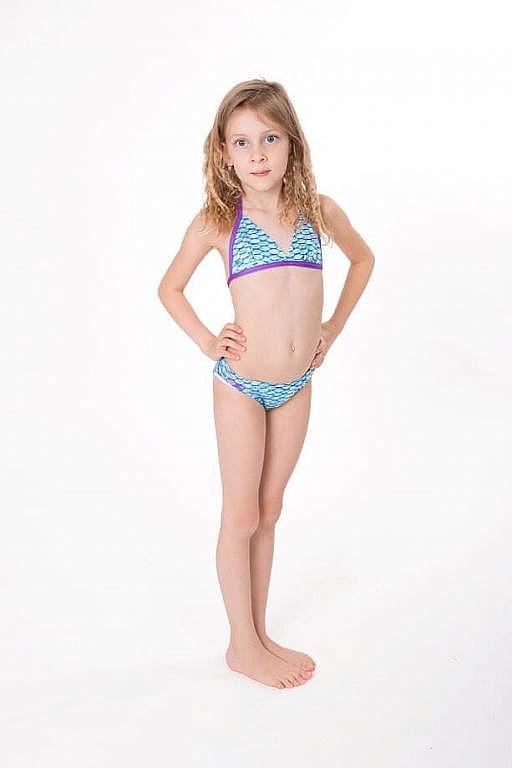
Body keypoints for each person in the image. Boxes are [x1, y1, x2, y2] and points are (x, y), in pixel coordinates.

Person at [157, 78, 375, 689]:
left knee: (271, 510)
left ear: (291, 144)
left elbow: (363, 259)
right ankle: (241, 646)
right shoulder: (218, 222)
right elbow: (169, 288)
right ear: (223, 152)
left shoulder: (319, 211)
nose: (257, 155)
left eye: (270, 139)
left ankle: (257, 631)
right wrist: (208, 340)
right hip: (241, 386)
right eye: (242, 142)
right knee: (241, 514)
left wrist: (332, 325)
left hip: (297, 385)